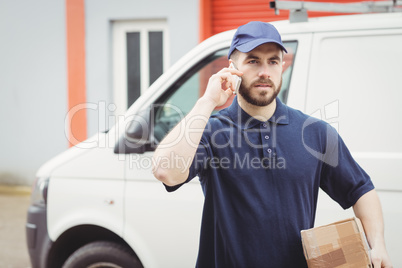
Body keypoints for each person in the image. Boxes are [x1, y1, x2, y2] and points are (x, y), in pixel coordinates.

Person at [152, 21, 392, 268]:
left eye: (273, 61)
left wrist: (378, 244)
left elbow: (361, 190)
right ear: (233, 69)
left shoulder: (315, 133)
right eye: (253, 61)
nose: (264, 71)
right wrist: (207, 102)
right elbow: (166, 171)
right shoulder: (212, 131)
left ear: (282, 68)